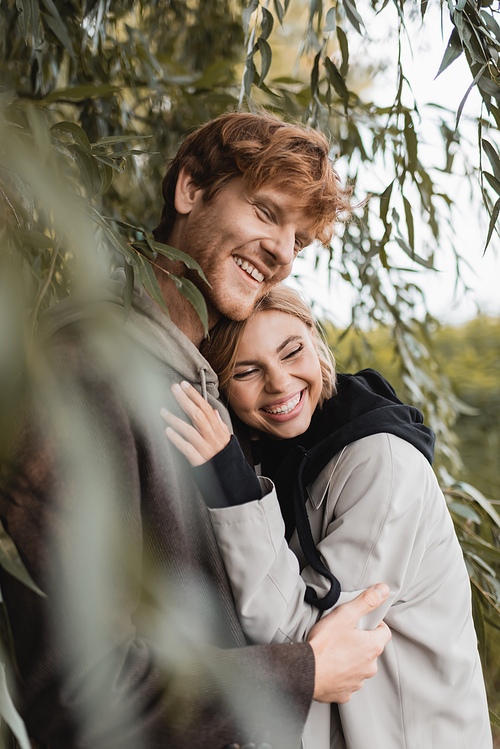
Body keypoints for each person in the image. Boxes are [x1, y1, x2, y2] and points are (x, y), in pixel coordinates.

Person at [0, 112, 392, 749]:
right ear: (189, 190)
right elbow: (84, 695)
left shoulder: (200, 387)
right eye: (267, 212)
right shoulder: (87, 374)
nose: (283, 253)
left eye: (297, 237)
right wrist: (305, 671)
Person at [163, 284, 492, 749]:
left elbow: (305, 646)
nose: (279, 383)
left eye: (292, 351)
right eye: (247, 370)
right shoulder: (281, 452)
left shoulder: (382, 464)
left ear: (315, 341)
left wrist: (232, 490)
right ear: (220, 390)